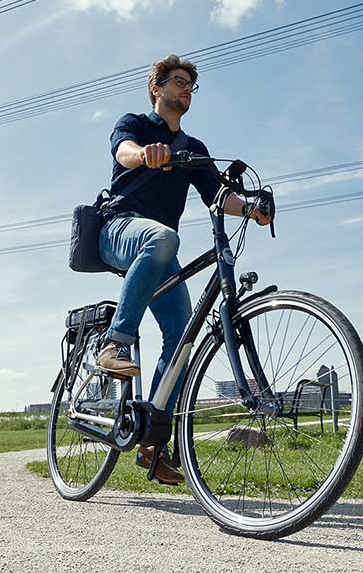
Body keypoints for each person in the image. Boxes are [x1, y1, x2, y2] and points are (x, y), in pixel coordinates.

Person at [95, 54, 272, 484]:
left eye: (191, 85)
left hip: (159, 246)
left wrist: (250, 208)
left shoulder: (194, 148)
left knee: (182, 335)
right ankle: (114, 343)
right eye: (177, 82)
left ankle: (153, 443)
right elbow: (123, 152)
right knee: (163, 238)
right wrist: (145, 154)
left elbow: (217, 196)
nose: (185, 89)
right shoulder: (135, 123)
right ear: (157, 88)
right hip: (119, 227)